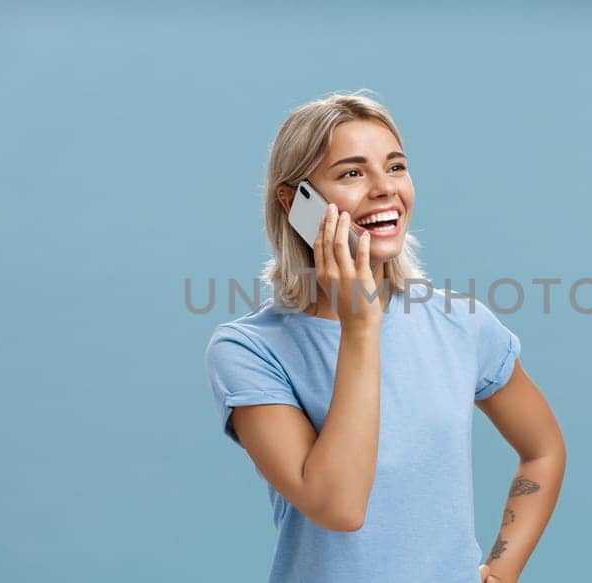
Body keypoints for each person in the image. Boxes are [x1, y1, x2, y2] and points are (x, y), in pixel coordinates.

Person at [204, 92, 567, 582]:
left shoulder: (461, 324)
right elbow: (339, 507)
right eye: (352, 173)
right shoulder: (247, 350)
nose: (384, 189)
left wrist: (502, 571)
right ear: (296, 203)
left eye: (395, 167)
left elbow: (543, 451)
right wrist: (360, 325)